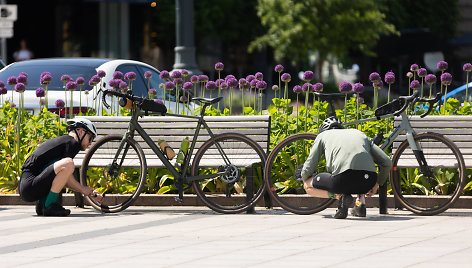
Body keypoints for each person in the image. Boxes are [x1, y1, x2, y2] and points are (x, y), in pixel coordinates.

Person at [297, 116, 392, 219]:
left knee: (308, 185)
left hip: (341, 180)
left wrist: (303, 177)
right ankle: (360, 205)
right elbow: (386, 162)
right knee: (358, 169)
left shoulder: (323, 136)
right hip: (368, 181)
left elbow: (310, 165)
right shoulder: (359, 134)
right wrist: (376, 183)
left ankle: (341, 197)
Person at [18, 118, 104, 216]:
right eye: (91, 138)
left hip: (27, 188)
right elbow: (67, 173)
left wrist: (87, 191)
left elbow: (62, 177)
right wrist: (83, 189)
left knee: (65, 165)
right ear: (80, 132)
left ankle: (42, 205)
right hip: (30, 186)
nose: (90, 143)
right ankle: (49, 205)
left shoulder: (64, 142)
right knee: (68, 163)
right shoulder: (72, 143)